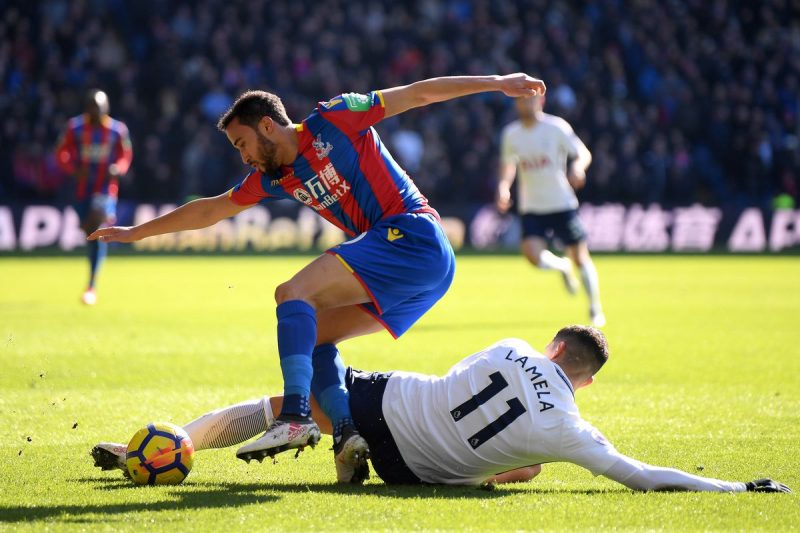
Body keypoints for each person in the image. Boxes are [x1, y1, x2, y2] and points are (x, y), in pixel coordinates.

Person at [87, 73, 548, 483]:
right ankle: (345, 433)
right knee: (314, 335)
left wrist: (498, 82)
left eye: (242, 143)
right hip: (419, 271)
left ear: (267, 126)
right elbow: (212, 208)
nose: (244, 157)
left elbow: (418, 93)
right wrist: (137, 232)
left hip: (411, 234)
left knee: (292, 293)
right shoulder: (276, 178)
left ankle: (295, 415)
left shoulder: (336, 118)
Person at [91, 325, 791, 493]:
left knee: (293, 388)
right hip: (416, 471)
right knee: (528, 468)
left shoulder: (515, 345)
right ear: (587, 381)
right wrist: (734, 485)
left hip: (394, 400)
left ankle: (166, 445)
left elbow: (462, 376)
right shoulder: (572, 426)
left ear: (552, 344)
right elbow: (639, 475)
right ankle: (354, 454)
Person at [496, 96, 606, 327]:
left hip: (561, 202)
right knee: (532, 256)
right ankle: (562, 266)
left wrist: (577, 167)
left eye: (530, 100)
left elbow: (583, 153)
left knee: (580, 256)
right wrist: (504, 186)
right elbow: (508, 165)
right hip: (532, 206)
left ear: (541, 102)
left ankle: (595, 307)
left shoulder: (556, 127)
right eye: (521, 101)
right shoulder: (511, 134)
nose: (526, 105)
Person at [55, 89, 133, 305]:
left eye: (99, 108)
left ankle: (91, 286)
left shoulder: (117, 130)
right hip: (81, 190)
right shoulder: (75, 128)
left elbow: (125, 155)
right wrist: (72, 169)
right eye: (91, 107)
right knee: (89, 233)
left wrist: (119, 168)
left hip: (105, 189)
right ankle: (92, 279)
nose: (95, 112)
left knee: (97, 231)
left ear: (106, 108)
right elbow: (61, 152)